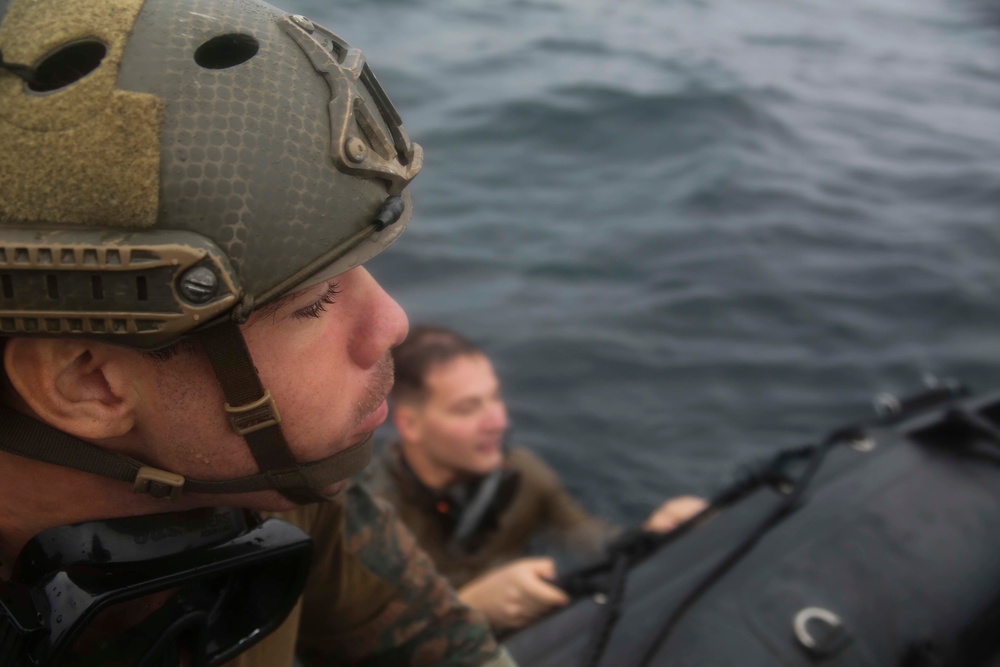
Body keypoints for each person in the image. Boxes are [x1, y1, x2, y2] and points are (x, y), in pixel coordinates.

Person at [0, 0, 512, 665]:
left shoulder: (280, 477)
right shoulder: (262, 456)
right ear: (89, 381)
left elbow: (444, 647)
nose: (393, 324)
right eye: (315, 301)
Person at [365, 325, 708, 631]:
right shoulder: (372, 513)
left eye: (495, 397)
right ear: (410, 425)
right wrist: (470, 609)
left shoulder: (526, 476)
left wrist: (654, 535)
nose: (498, 422)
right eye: (468, 409)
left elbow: (594, 544)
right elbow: (355, 644)